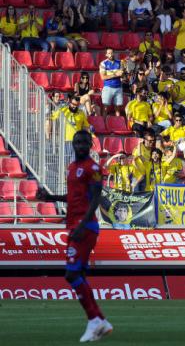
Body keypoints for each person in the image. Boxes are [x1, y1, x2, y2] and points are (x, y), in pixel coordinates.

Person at [37, 131, 113, 342]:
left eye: (83, 142)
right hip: (74, 225)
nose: (79, 145)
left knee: (71, 274)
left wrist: (84, 224)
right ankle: (100, 321)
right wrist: (50, 197)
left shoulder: (94, 168)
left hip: (85, 226)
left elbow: (96, 198)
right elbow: (73, 197)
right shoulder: (72, 168)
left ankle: (94, 320)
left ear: (90, 144)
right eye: (76, 142)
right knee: (78, 274)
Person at [47, 94, 90, 163]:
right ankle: (66, 173)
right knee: (65, 162)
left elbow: (86, 126)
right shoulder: (63, 110)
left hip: (77, 141)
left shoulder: (81, 113)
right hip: (65, 140)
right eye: (73, 104)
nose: (74, 106)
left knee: (74, 162)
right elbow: (51, 118)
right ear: (70, 102)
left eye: (76, 105)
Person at [99, 48, 124, 117]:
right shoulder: (103, 63)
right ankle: (103, 123)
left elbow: (122, 75)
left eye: (112, 53)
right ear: (106, 55)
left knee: (118, 108)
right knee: (105, 107)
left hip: (118, 87)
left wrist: (123, 75)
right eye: (109, 53)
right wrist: (115, 74)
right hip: (108, 87)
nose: (111, 55)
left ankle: (118, 124)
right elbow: (103, 77)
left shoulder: (120, 62)